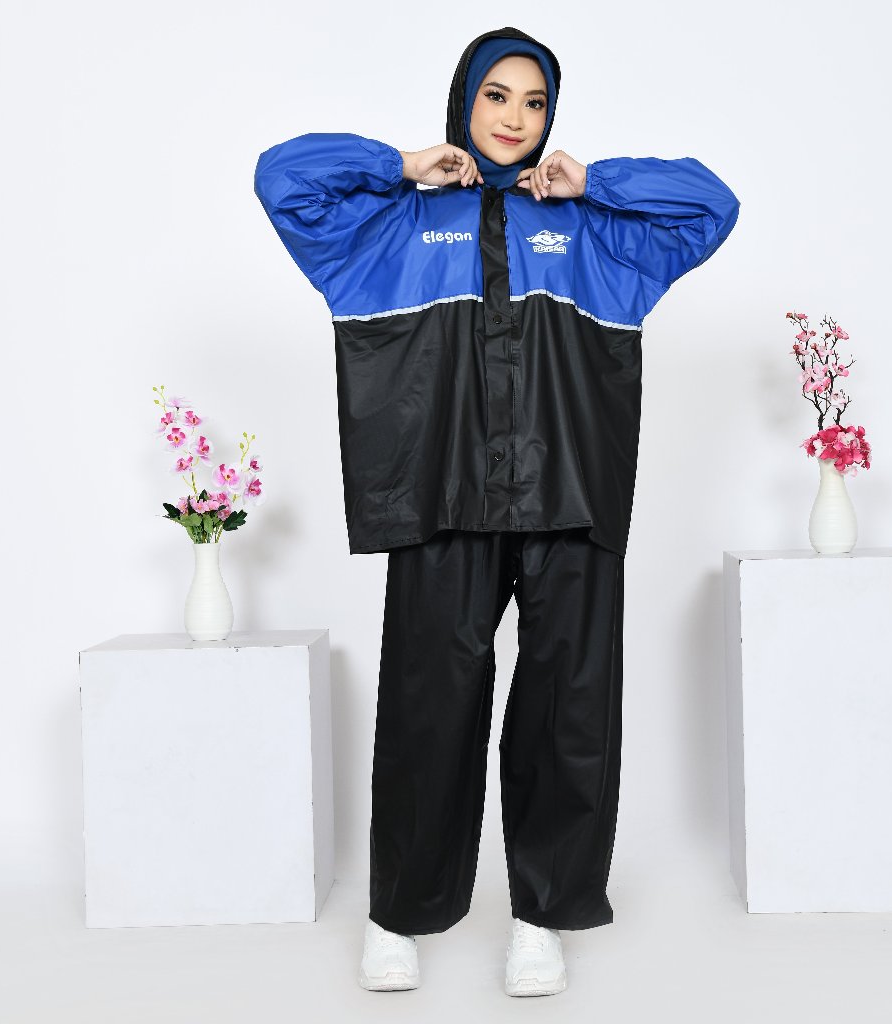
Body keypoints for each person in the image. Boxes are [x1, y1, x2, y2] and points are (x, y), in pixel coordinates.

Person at [254, 25, 739, 998]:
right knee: (429, 708)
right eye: (496, 96)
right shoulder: (392, 225)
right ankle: (399, 913)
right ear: (463, 100)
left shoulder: (596, 230)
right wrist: (402, 164)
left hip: (570, 498)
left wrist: (594, 180)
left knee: (568, 712)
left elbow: (710, 203)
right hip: (442, 499)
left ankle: (541, 916)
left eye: (534, 101)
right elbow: (283, 177)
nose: (515, 117)